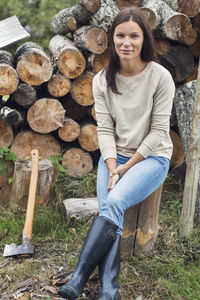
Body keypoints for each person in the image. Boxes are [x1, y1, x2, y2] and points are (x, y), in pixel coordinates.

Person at [58, 6, 175, 300]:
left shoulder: (160, 77)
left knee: (115, 200)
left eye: (133, 36)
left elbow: (159, 131)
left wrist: (125, 168)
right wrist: (112, 165)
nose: (126, 42)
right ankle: (109, 288)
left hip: (151, 158)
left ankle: (79, 278)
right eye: (120, 35)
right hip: (115, 158)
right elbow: (106, 130)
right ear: (112, 39)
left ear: (144, 39)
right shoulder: (102, 80)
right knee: (111, 209)